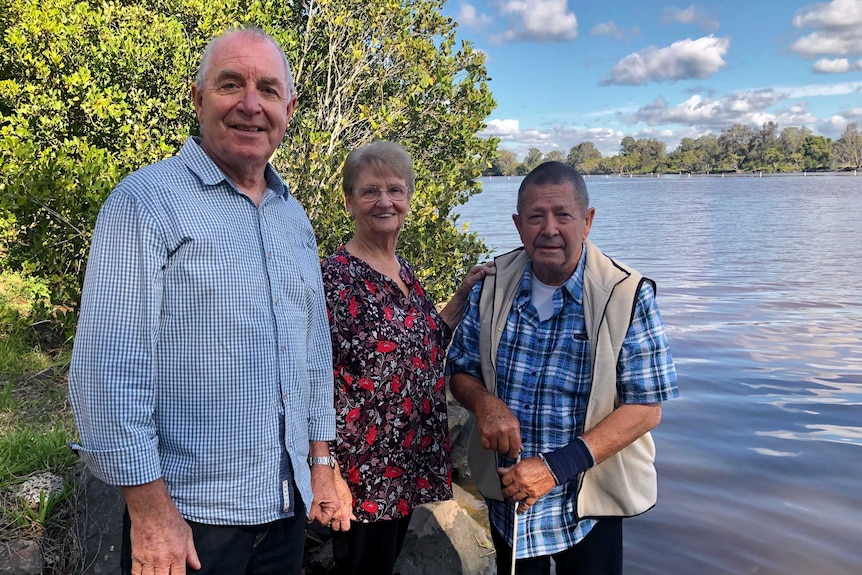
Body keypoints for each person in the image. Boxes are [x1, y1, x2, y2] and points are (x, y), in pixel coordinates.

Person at [68, 27, 342, 575]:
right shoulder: (144, 203)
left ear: (287, 107)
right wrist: (150, 514)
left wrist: (322, 462)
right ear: (198, 99)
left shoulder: (294, 218)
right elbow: (107, 370)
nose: (250, 104)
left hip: (285, 514)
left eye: (267, 89)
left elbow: (312, 351)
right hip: (189, 523)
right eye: (230, 84)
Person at [445, 161, 679, 575]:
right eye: (536, 217)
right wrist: (486, 405)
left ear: (587, 221)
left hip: (589, 507)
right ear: (519, 225)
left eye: (563, 215)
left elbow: (646, 408)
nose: (549, 228)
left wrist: (555, 468)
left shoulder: (627, 294)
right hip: (510, 505)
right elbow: (460, 369)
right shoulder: (491, 284)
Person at [320, 140, 495, 575]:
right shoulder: (332, 279)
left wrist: (463, 293)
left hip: (404, 462)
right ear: (348, 202)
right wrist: (326, 468)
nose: (385, 201)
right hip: (362, 471)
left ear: (409, 200)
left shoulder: (401, 269)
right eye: (370, 191)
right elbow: (310, 380)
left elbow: (426, 343)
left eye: (395, 190)